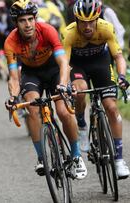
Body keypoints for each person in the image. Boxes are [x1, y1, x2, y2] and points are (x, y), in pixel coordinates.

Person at [4, 0, 87, 179]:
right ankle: (42, 157)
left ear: (35, 19)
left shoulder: (48, 30)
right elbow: (13, 76)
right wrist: (13, 96)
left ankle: (76, 156)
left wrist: (63, 85)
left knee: (63, 112)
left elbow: (63, 62)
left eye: (30, 19)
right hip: (31, 74)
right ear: (16, 23)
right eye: (22, 21)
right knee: (32, 109)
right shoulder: (11, 41)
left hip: (54, 70)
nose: (27, 25)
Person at [62, 0, 130, 179]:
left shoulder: (106, 28)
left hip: (100, 63)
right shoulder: (69, 33)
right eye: (82, 22)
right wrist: (65, 84)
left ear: (98, 17)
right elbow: (64, 63)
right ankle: (82, 126)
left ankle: (118, 160)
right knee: (81, 89)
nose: (87, 26)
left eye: (91, 21)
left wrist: (122, 76)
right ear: (76, 20)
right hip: (78, 66)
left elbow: (118, 57)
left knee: (112, 107)